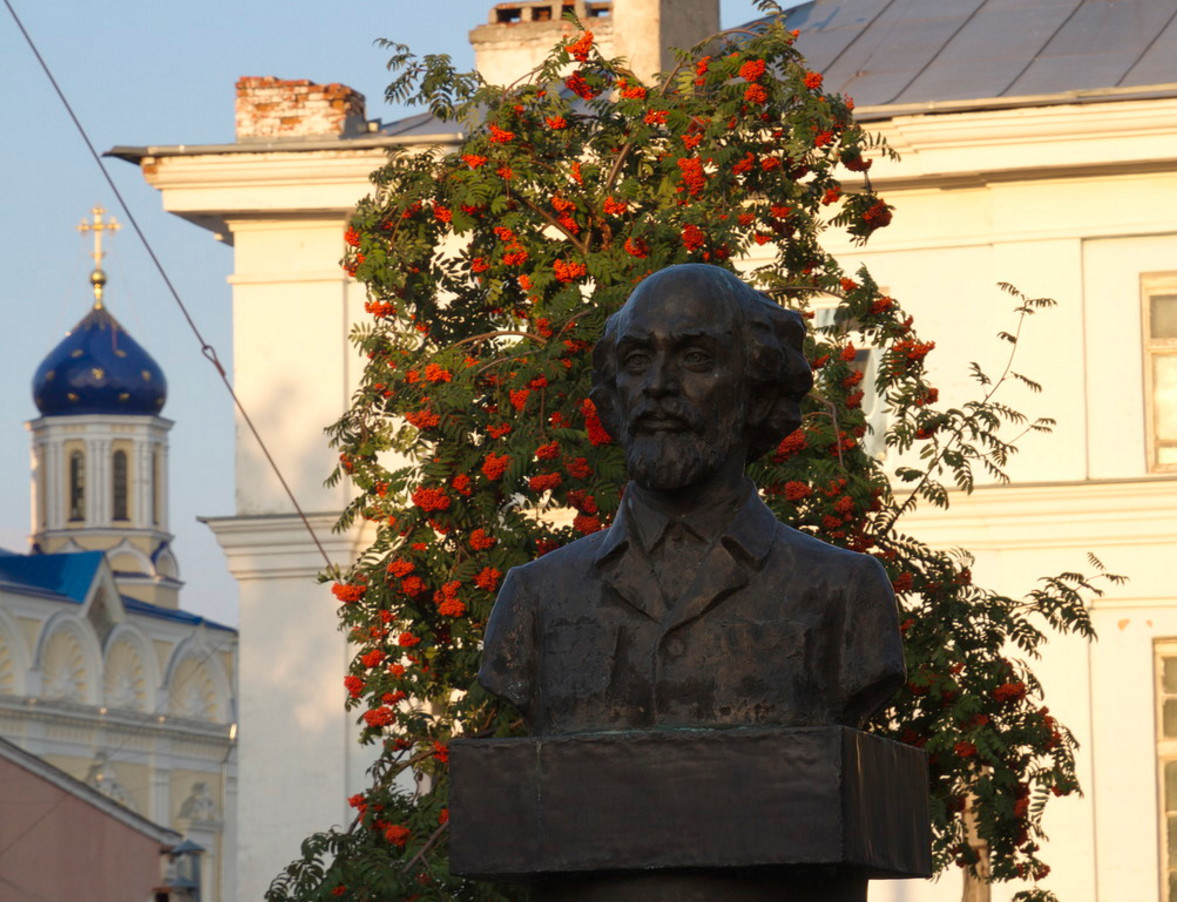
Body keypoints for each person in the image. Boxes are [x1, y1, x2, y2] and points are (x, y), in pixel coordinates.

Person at [479, 263, 904, 736]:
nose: (658, 384)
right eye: (638, 360)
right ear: (614, 394)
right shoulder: (535, 598)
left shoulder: (843, 594)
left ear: (759, 393)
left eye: (696, 358)